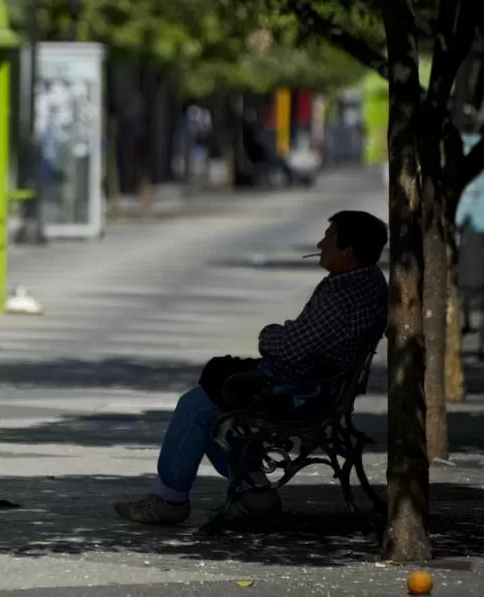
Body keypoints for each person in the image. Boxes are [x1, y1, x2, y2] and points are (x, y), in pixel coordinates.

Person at [114, 210, 389, 525]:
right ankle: (254, 492)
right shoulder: (367, 281)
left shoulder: (343, 294)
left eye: (328, 238)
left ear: (348, 251)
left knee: (197, 406)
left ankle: (169, 500)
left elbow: (290, 345)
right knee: (216, 393)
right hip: (318, 386)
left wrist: (268, 333)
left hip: (303, 393)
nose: (320, 243)